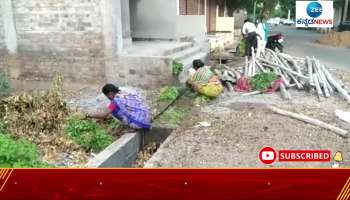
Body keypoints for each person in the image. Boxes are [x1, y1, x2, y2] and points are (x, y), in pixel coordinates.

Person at [87, 84, 151, 131]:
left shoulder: (116, 101)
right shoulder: (124, 91)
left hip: (138, 123)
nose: (108, 98)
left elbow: (104, 115)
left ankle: (132, 126)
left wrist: (89, 115)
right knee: (113, 107)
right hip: (146, 117)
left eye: (107, 96)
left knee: (114, 110)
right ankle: (133, 123)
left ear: (110, 93)